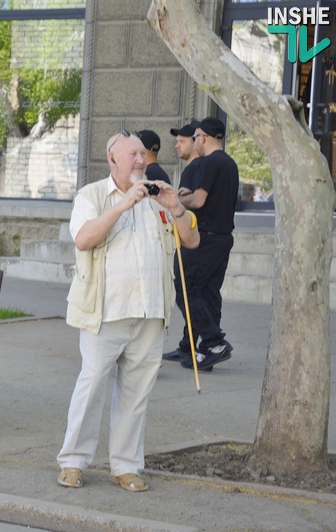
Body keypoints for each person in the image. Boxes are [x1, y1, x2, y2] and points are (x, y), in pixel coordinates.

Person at [56, 131, 199, 492]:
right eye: (133, 155)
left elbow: (192, 240)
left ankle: (125, 466)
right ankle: (73, 462)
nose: (141, 160)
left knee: (136, 395)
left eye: (142, 155)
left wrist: (175, 206)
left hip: (150, 313)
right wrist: (122, 205)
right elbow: (84, 239)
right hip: (104, 313)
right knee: (91, 388)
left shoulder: (158, 196)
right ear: (113, 160)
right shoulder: (91, 196)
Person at [170, 117, 239, 371]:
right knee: (209, 292)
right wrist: (188, 197)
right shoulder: (229, 163)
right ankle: (208, 351)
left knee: (185, 287)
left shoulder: (210, 161)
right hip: (222, 236)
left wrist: (175, 202)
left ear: (205, 137)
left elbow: (198, 201)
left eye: (196, 135)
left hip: (206, 237)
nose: (195, 140)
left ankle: (214, 342)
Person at [163, 120, 205, 363]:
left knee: (184, 293)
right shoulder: (199, 167)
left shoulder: (194, 169)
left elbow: (186, 205)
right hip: (198, 240)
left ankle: (207, 339)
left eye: (182, 141)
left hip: (191, 241)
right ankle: (189, 344)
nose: (177, 145)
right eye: (176, 141)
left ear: (196, 142)